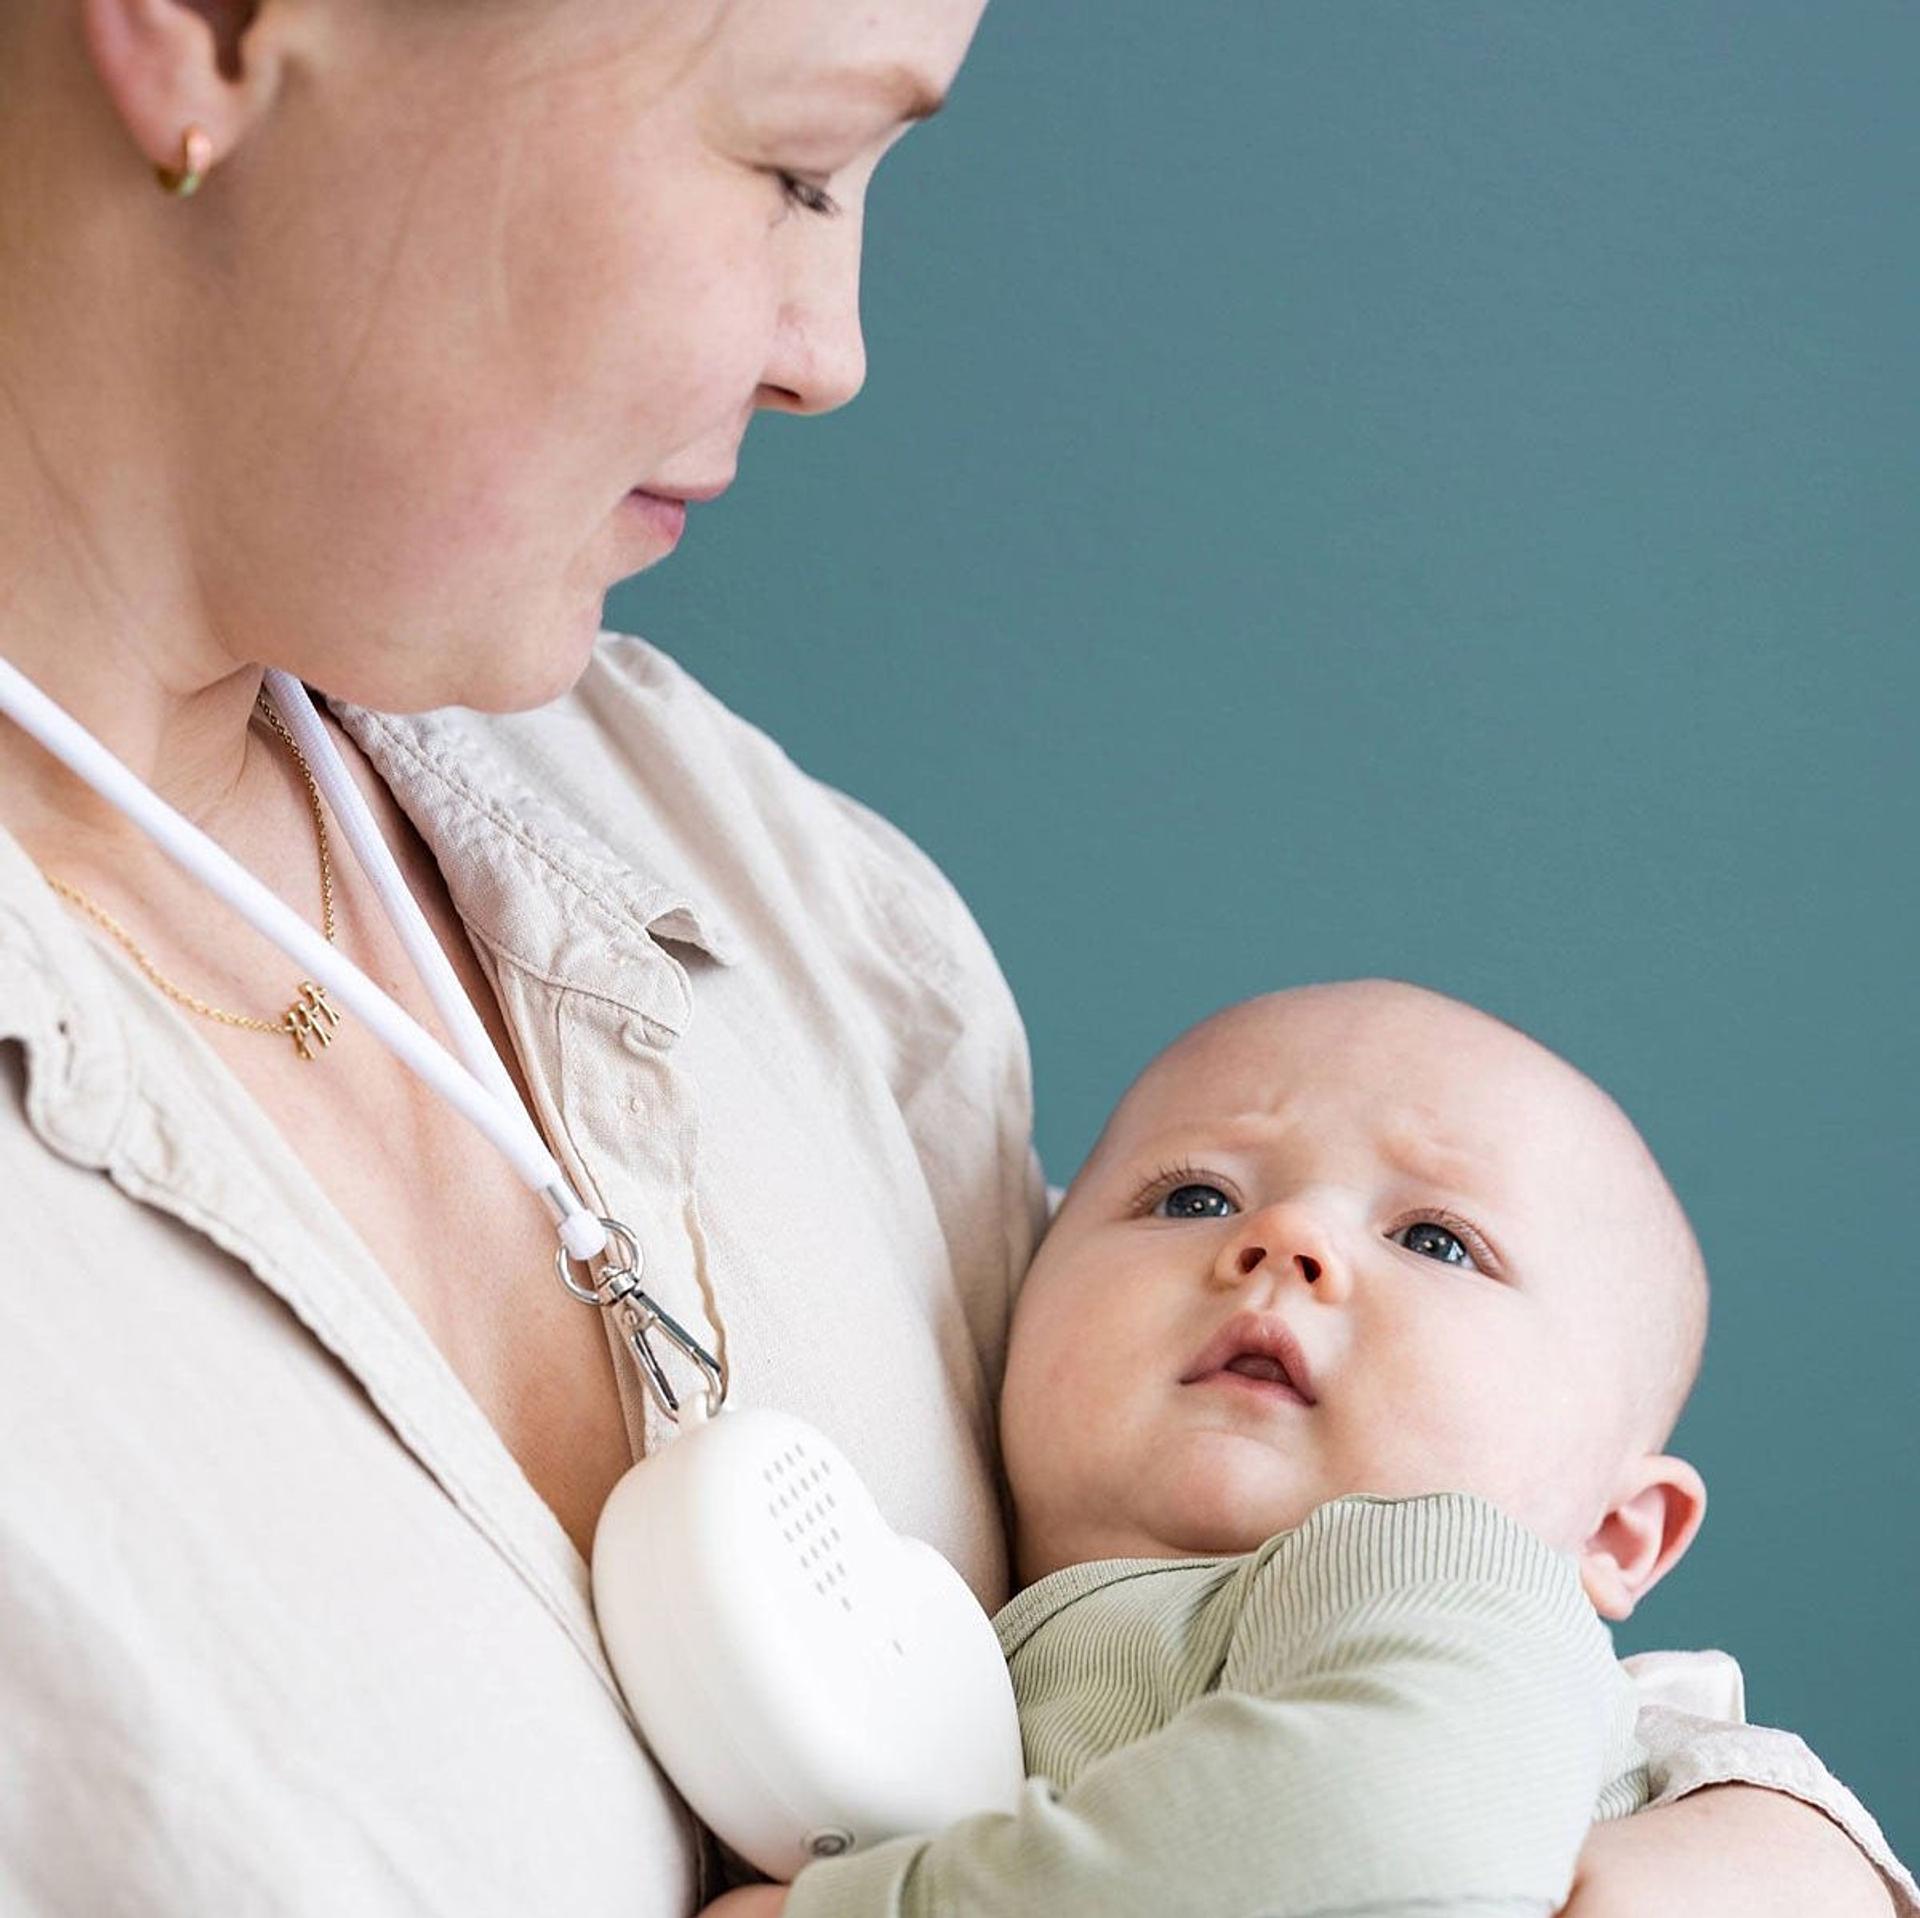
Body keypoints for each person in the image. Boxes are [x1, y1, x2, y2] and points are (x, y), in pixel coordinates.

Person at [0, 2, 1903, 1913]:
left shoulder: (771, 888)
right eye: (796, 166)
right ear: (213, 30)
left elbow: (1422, 1612)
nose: (832, 353)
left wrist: (1775, 1841)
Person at [701, 981, 1914, 1916]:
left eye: (1437, 1240)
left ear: (1611, 1532)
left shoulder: (1440, 1569)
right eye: (1193, 1198)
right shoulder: (969, 1631)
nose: (1285, 1236)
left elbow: (1390, 1833)